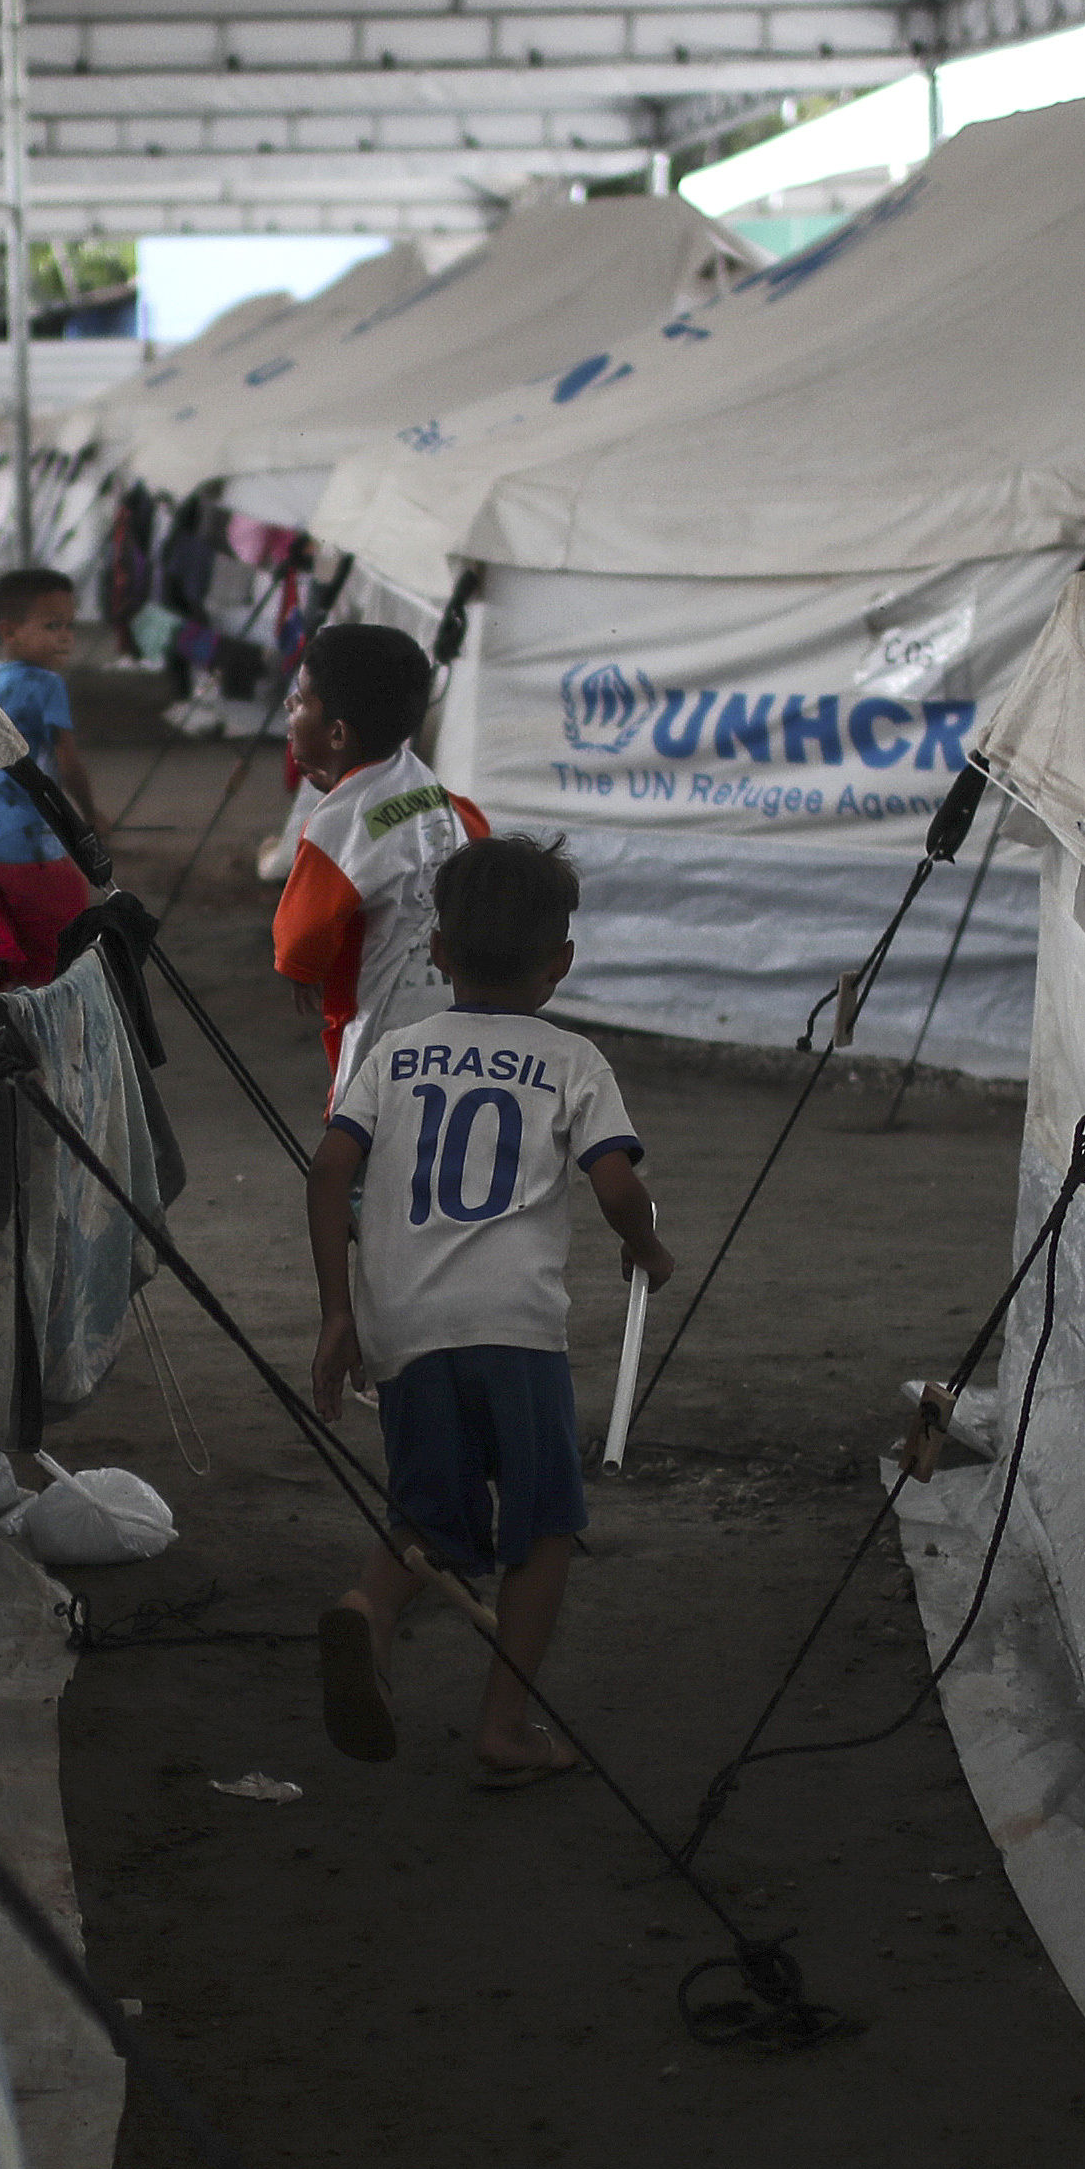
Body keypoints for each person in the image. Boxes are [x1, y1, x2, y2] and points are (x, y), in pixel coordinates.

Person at [306, 836, 675, 1787]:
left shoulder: (393, 1054)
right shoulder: (571, 1060)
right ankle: (505, 1730)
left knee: (427, 1513)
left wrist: (336, 1314)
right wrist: (644, 1249)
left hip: (404, 1328)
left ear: (435, 950)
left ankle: (370, 1607)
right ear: (561, 962)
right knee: (543, 1525)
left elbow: (330, 1168)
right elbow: (615, 1184)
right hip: (514, 1330)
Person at [270, 623, 486, 1111]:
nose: (289, 707)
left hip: (385, 1009)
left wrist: (300, 969)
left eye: (301, 699)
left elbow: (301, 929)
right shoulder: (429, 787)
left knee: (361, 1120)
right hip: (457, 993)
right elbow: (478, 834)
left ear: (338, 734)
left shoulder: (338, 821)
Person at [0, 568, 108, 990]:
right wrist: (90, 817)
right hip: (30, 855)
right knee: (54, 954)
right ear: (10, 632)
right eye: (52, 626)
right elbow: (69, 764)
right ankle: (29, 1019)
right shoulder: (48, 686)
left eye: (70, 626)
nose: (66, 637)